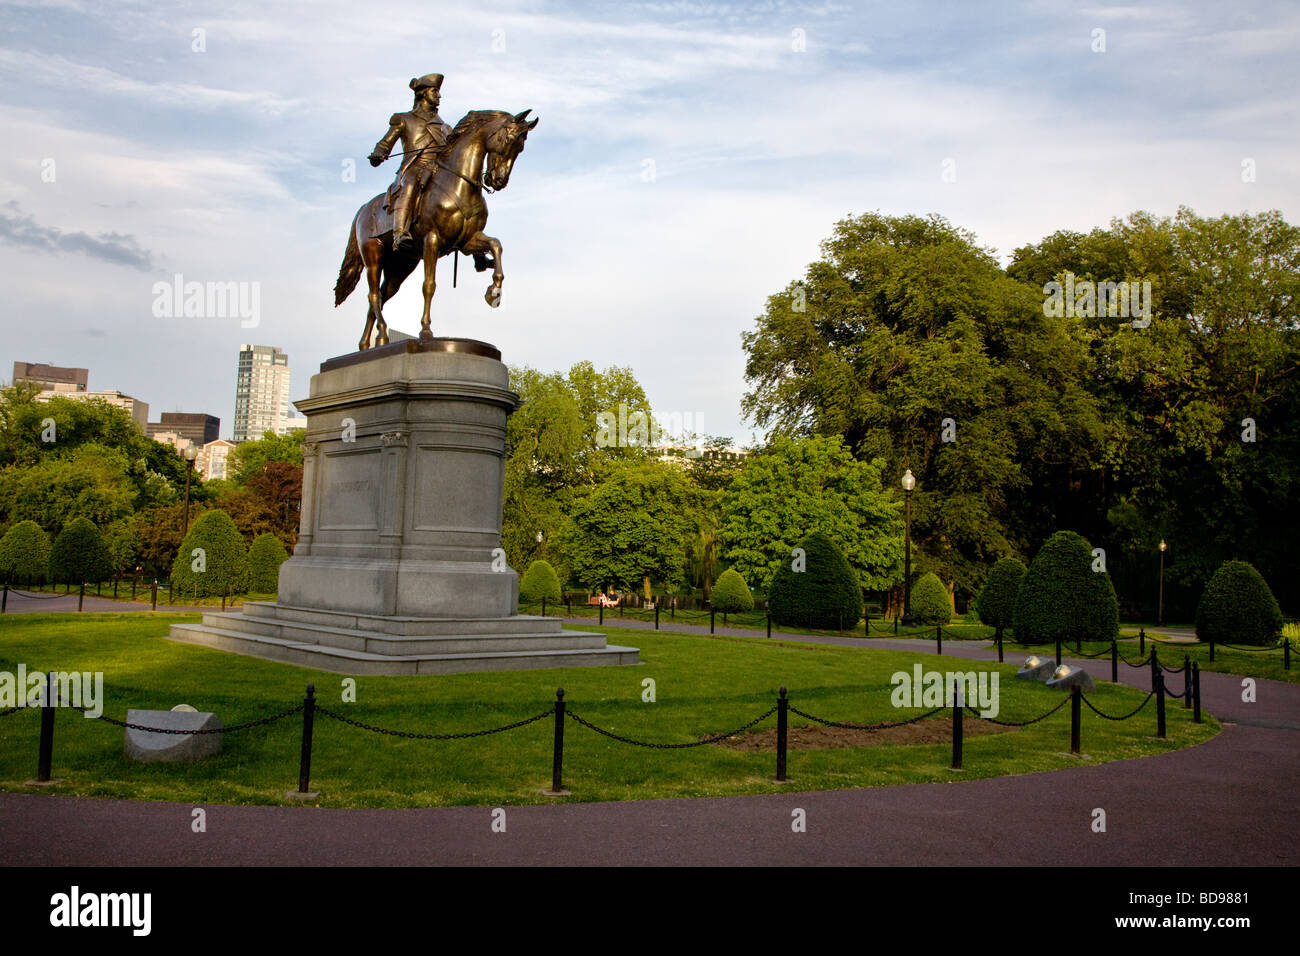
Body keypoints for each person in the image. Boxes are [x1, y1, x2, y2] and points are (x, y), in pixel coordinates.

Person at [368, 73, 454, 249]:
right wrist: (379, 153)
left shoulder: (445, 128)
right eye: (435, 91)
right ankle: (400, 232)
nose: (439, 96)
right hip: (416, 166)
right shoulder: (404, 119)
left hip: (438, 169)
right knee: (410, 184)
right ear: (423, 93)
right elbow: (386, 143)